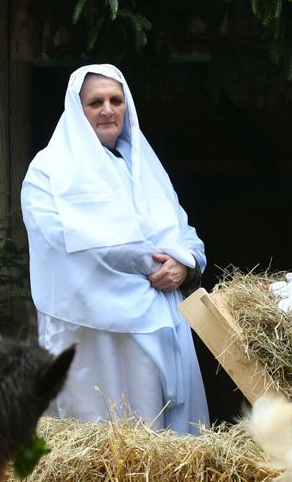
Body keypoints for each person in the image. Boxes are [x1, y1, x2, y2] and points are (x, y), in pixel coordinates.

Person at [21, 64, 209, 434]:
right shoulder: (48, 171)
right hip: (89, 330)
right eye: (95, 102)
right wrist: (152, 266)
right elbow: (64, 243)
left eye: (115, 100)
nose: (108, 109)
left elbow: (185, 233)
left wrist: (183, 265)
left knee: (159, 438)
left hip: (157, 325)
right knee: (101, 437)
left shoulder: (145, 168)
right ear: (78, 110)